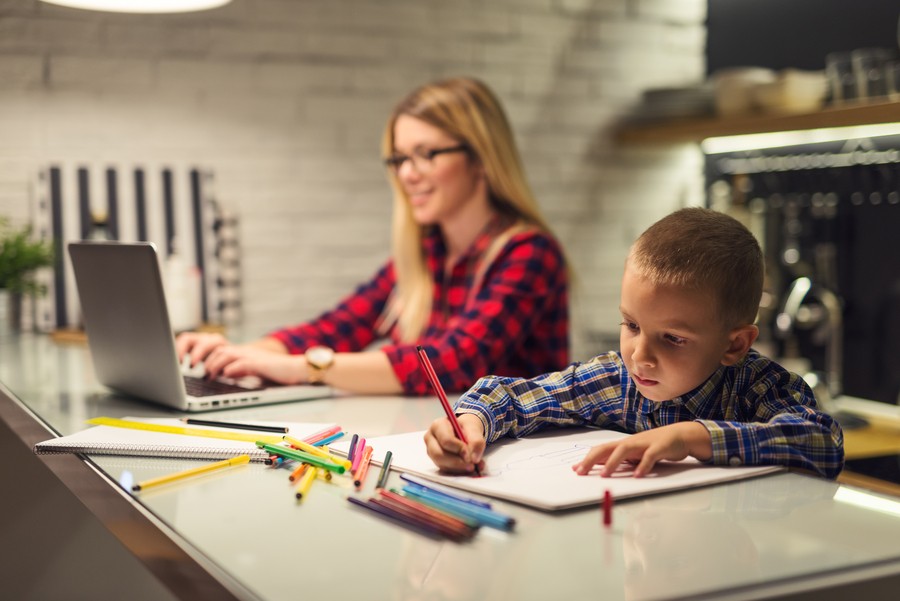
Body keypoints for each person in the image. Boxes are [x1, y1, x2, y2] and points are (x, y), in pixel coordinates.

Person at [176, 77, 569, 396]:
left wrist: (303, 368)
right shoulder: (426, 255)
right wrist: (241, 354)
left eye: (426, 154)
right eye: (399, 158)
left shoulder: (530, 253)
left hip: (520, 458)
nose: (407, 174)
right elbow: (337, 327)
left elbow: (448, 364)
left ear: (480, 159)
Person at [425, 207, 844, 479]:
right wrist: (470, 423)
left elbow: (823, 440)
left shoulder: (760, 387)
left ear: (734, 345)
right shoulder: (618, 380)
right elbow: (513, 395)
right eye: (631, 325)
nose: (640, 356)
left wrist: (688, 437)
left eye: (673, 339)